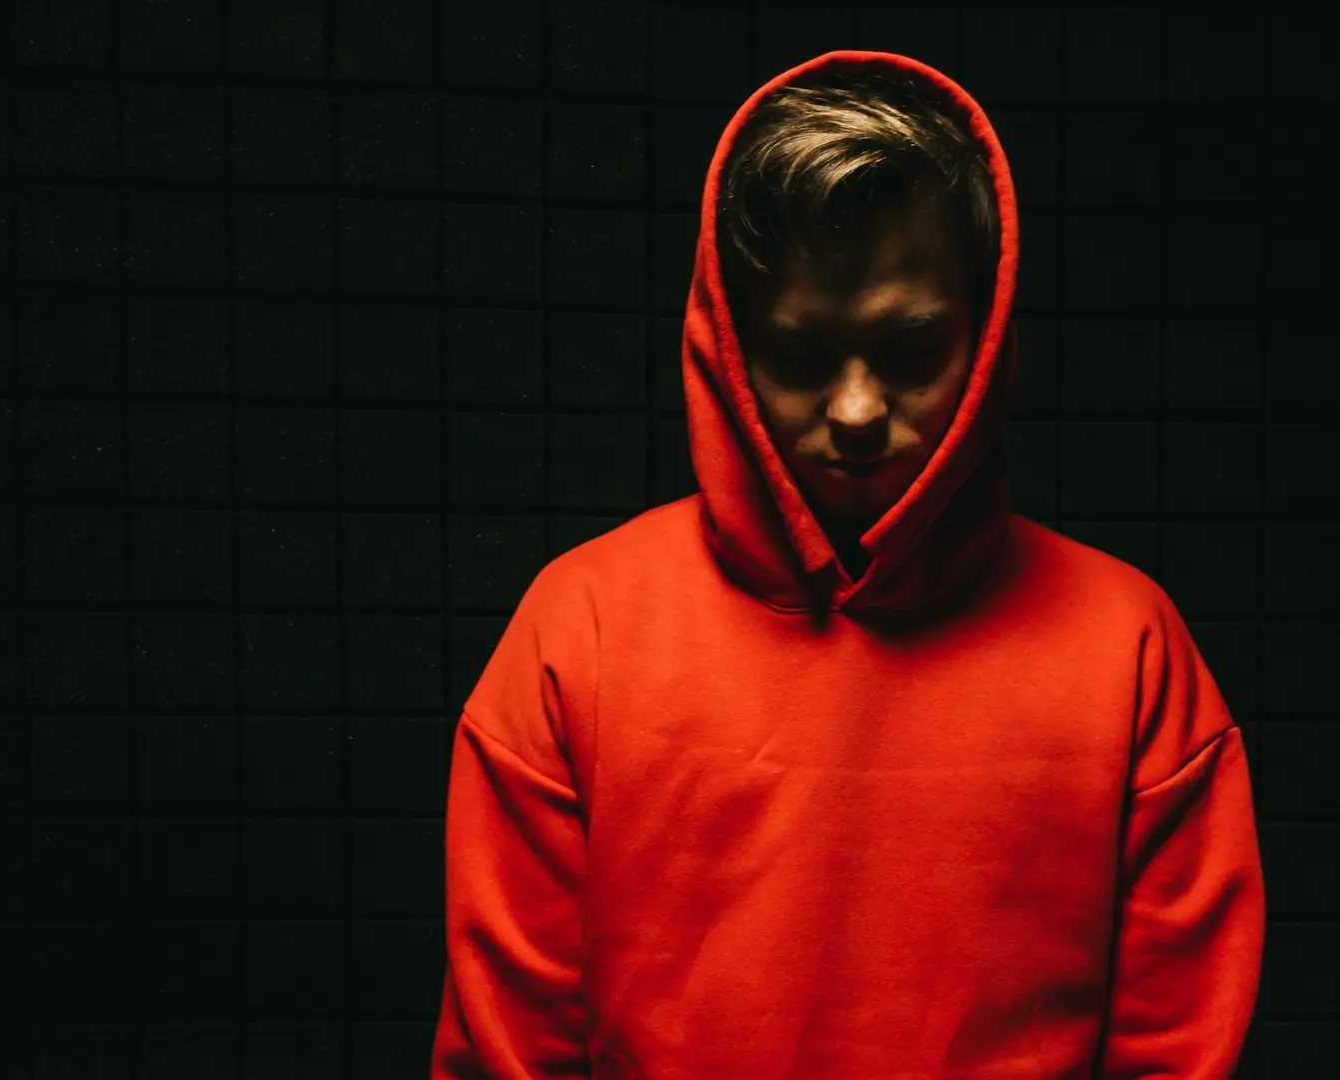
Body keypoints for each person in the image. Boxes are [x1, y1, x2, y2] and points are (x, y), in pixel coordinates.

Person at [431, 50, 1264, 1080]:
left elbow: (1177, 1053)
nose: (859, 412)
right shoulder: (580, 631)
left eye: (911, 352)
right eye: (799, 355)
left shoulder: (1130, 648)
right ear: (726, 340)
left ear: (986, 331)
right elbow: (509, 1056)